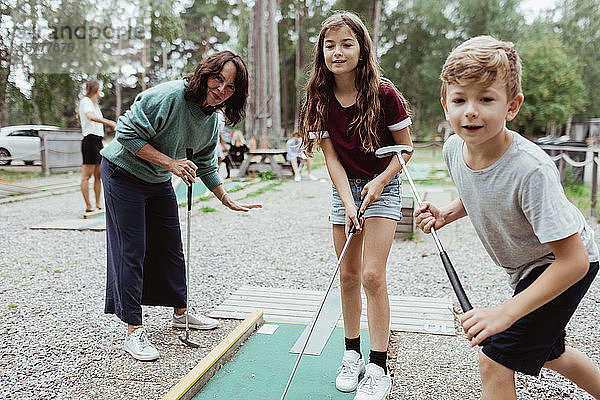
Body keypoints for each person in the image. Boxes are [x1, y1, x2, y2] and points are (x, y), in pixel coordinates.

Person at [414, 36, 600, 399]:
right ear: (445, 104)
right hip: (532, 266)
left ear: (512, 106)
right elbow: (483, 189)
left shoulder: (531, 171)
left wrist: (505, 312)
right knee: (551, 353)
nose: (470, 110)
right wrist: (447, 213)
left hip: (562, 262)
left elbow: (574, 261)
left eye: (485, 99)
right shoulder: (455, 148)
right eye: (459, 99)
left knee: (494, 359)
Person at [99, 50, 261, 362]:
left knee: (171, 246)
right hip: (123, 172)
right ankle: (134, 330)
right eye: (218, 79)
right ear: (206, 73)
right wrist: (171, 163)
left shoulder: (211, 119)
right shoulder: (168, 97)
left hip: (158, 176)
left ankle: (181, 312)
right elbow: (126, 134)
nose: (221, 90)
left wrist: (225, 198)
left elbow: (204, 162)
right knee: (132, 248)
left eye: (230, 87)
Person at [299, 12, 413, 400]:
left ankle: (379, 366)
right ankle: (352, 354)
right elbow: (330, 158)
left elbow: (405, 150)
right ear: (321, 51)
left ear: (362, 49)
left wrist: (380, 182)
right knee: (347, 276)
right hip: (345, 187)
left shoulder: (384, 93)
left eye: (347, 44)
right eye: (330, 45)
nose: (338, 52)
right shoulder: (318, 97)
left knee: (371, 276)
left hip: (385, 185)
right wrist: (347, 200)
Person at [78, 80, 116, 212]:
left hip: (98, 140)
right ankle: (88, 206)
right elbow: (89, 117)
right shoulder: (86, 101)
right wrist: (109, 122)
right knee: (86, 175)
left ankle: (98, 204)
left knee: (98, 175)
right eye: (100, 88)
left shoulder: (95, 104)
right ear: (95, 89)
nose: (101, 91)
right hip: (89, 140)